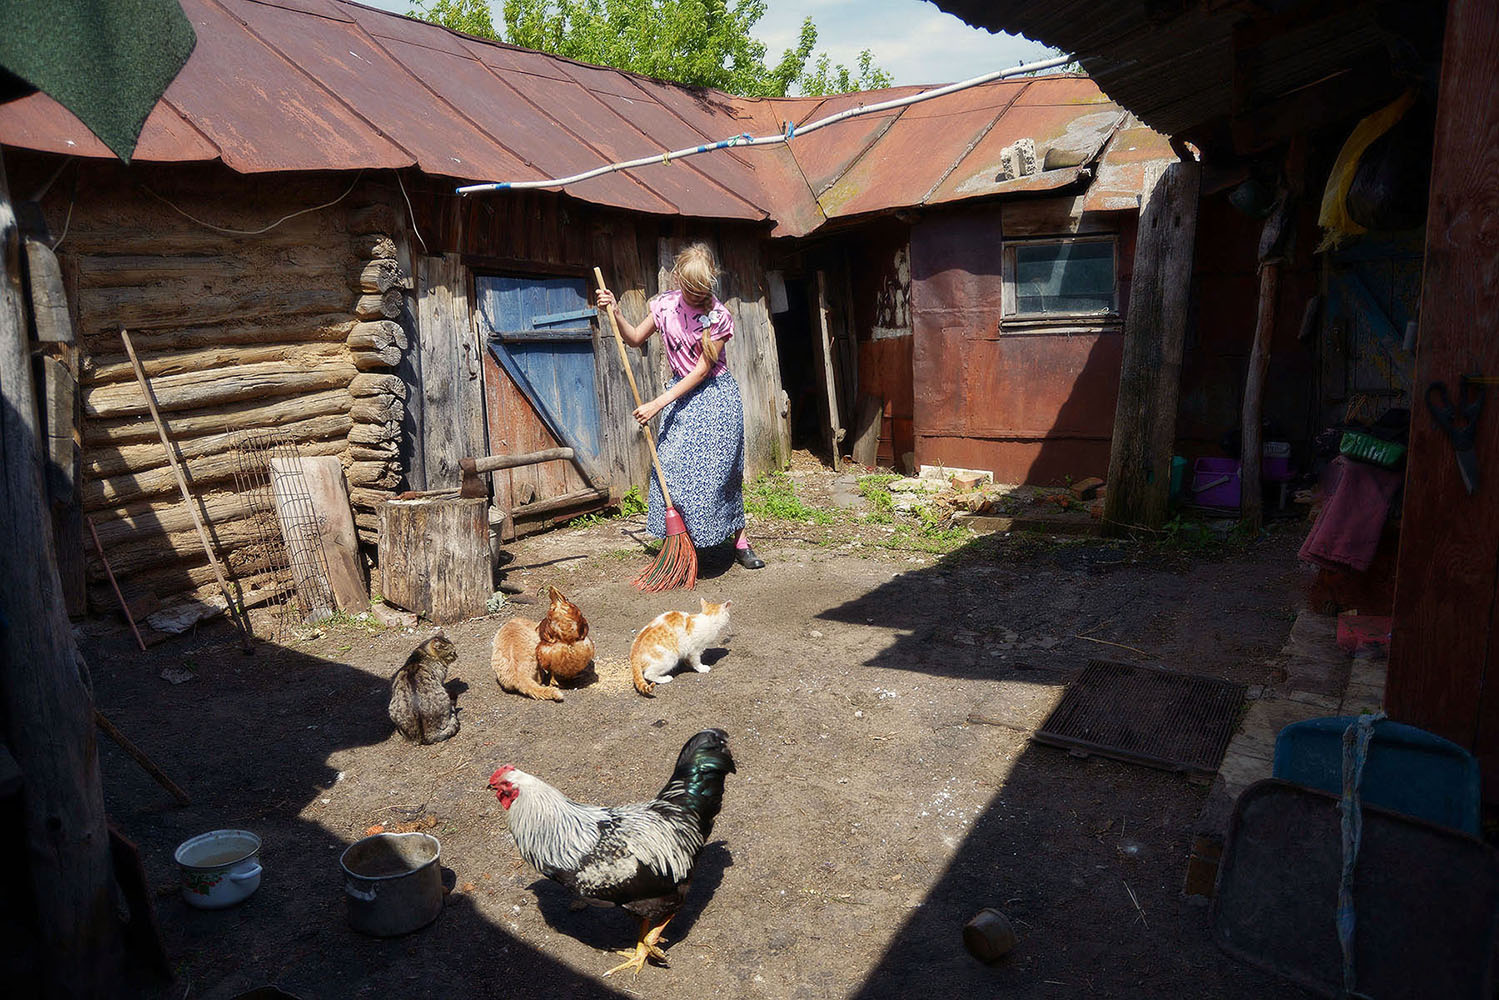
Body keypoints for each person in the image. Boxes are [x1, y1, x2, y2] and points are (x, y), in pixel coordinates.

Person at [595, 243, 764, 569]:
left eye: (698, 289)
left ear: (708, 283)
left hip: (715, 399)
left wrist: (657, 403)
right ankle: (683, 544)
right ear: (677, 278)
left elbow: (701, 371)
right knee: (670, 470)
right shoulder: (664, 306)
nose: (691, 294)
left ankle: (739, 540)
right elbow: (633, 338)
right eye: (687, 286)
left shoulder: (719, 317)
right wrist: (614, 310)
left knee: (721, 475)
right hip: (679, 398)